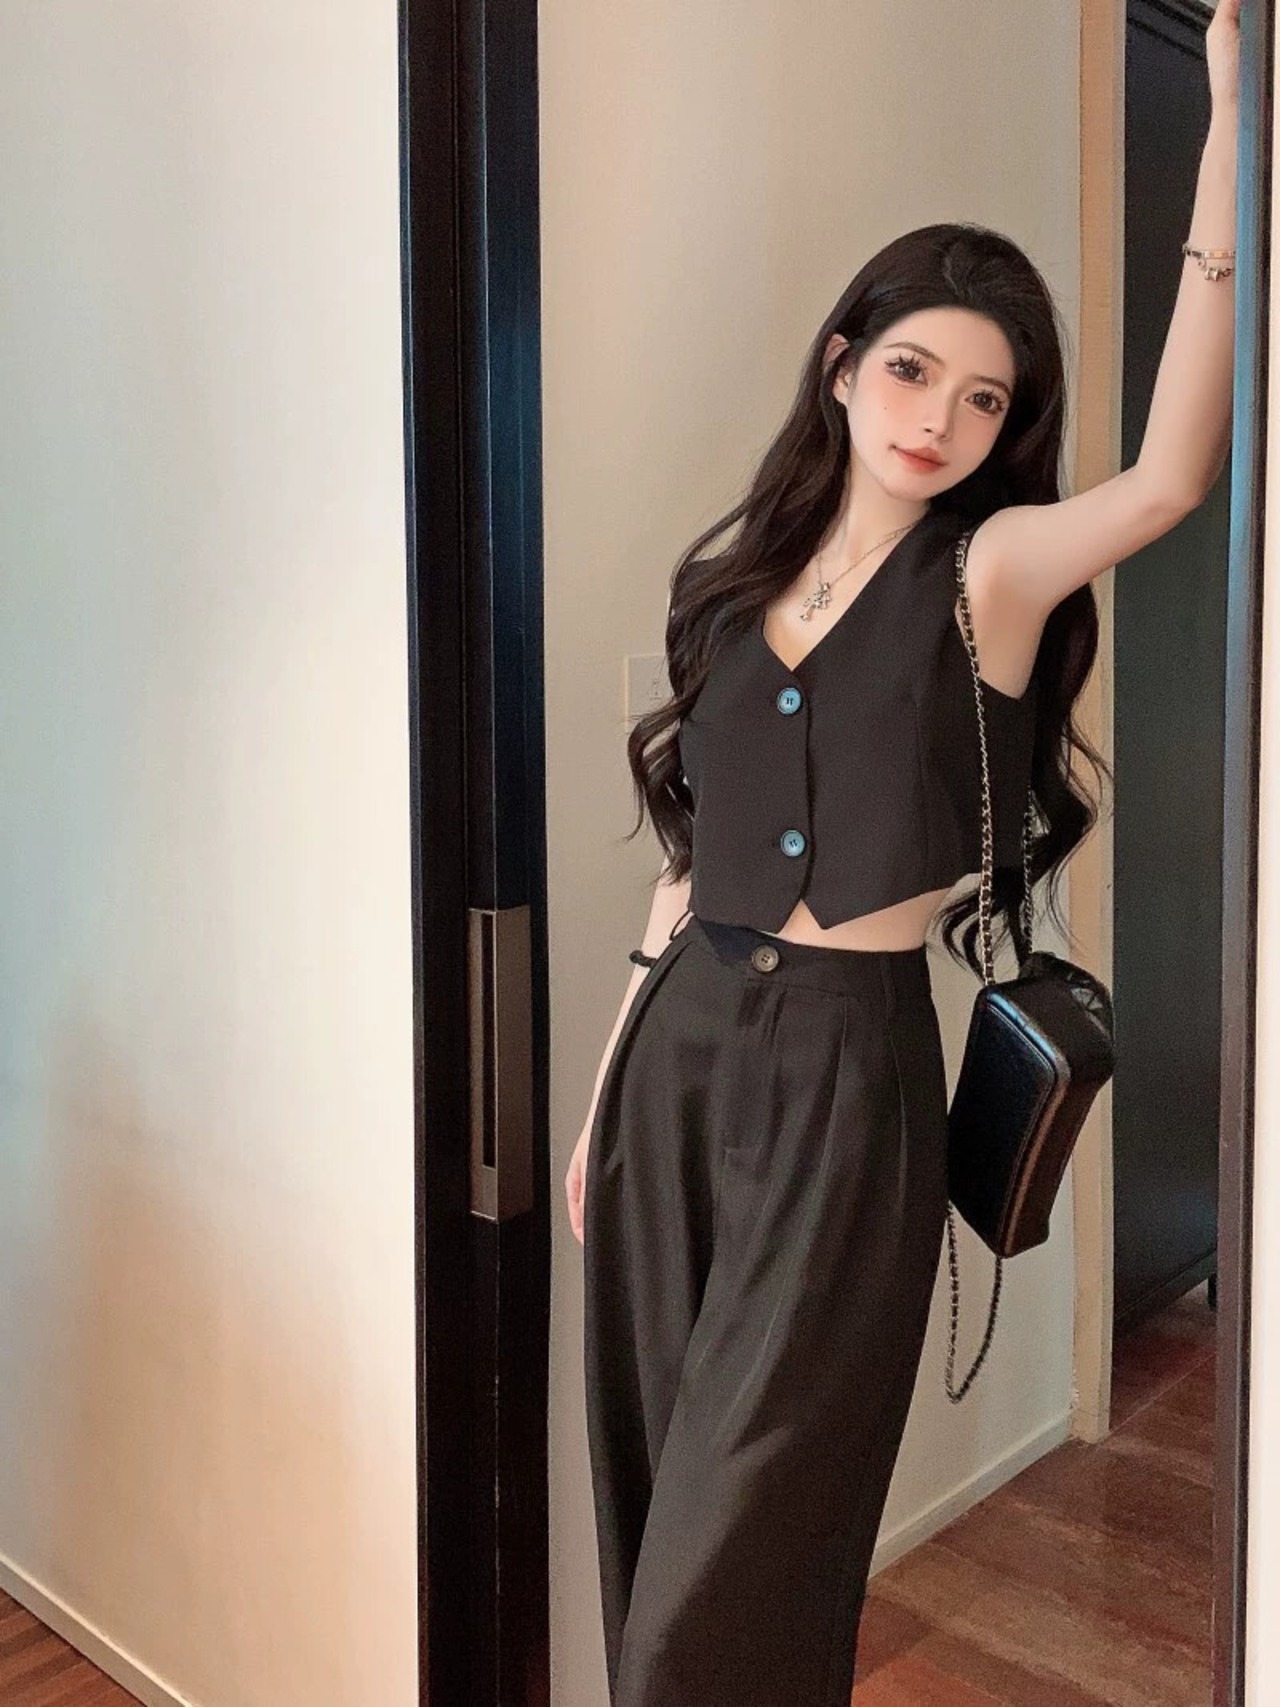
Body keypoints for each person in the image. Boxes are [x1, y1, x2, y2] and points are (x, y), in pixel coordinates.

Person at [566, 5, 1239, 1700]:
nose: (940, 416)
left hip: (848, 1083)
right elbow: (682, 871)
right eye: (913, 370)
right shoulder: (731, 588)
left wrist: (1235, 129)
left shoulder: (986, 577)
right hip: (675, 1066)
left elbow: (1168, 480)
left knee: (732, 1565)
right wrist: (596, 1107)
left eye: (983, 397)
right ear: (844, 364)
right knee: (650, 1498)